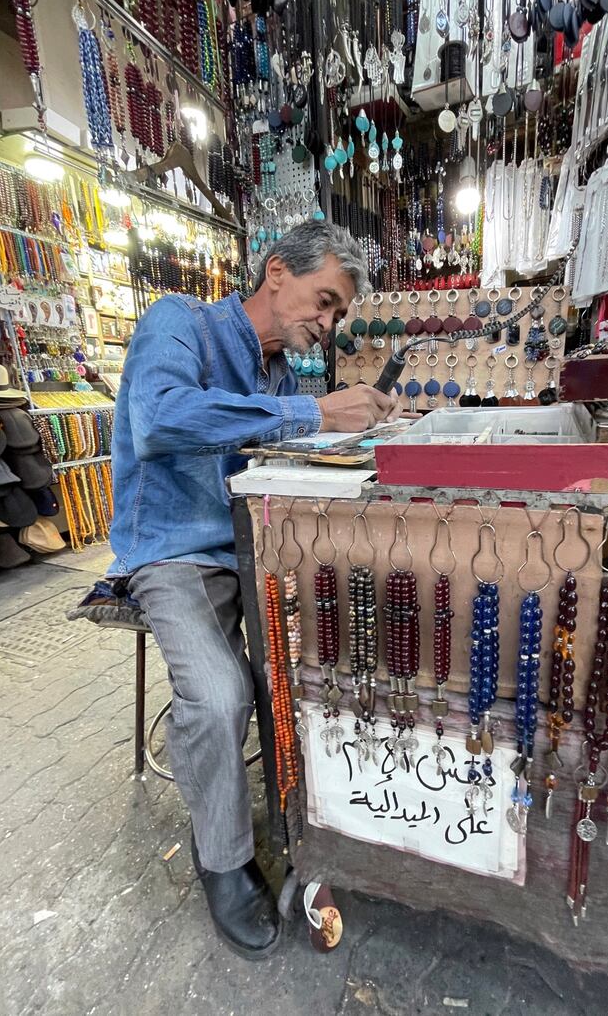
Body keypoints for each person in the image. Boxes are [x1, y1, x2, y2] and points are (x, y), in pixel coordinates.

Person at [108, 222, 401, 959]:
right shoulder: (179, 323)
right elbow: (162, 420)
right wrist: (314, 414)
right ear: (277, 272)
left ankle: (312, 834)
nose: (328, 323)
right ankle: (225, 860)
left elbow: (280, 456)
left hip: (260, 547)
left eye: (337, 314)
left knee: (324, 665)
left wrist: (361, 440)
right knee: (217, 692)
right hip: (178, 552)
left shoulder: (276, 377)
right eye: (324, 301)